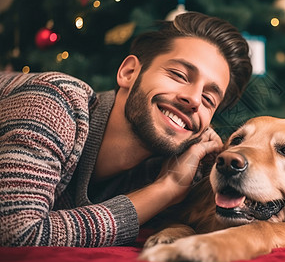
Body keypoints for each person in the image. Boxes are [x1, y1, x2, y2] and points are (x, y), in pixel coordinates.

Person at [0, 12, 252, 247]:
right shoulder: (56, 101)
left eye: (209, 100)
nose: (195, 100)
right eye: (178, 75)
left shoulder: (173, 163)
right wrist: (165, 190)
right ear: (129, 72)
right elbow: (16, 232)